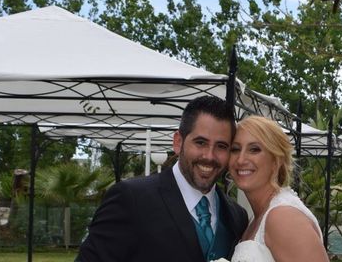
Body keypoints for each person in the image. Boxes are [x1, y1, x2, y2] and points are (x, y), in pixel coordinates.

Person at [76, 95, 249, 262]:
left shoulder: (237, 216)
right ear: (178, 142)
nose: (209, 156)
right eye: (200, 142)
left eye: (221, 146)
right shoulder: (130, 199)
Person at [228, 115, 329, 262]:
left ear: (276, 161)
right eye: (235, 149)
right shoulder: (255, 218)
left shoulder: (283, 217)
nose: (241, 159)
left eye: (254, 149)